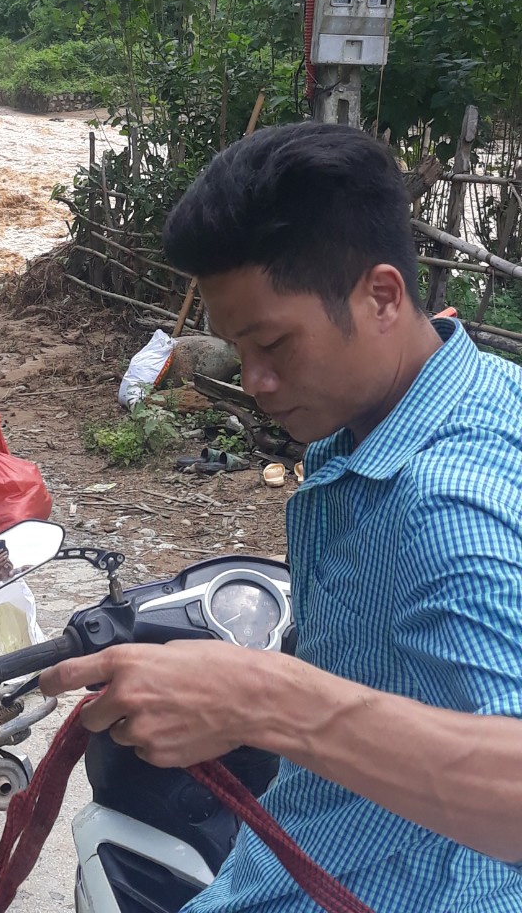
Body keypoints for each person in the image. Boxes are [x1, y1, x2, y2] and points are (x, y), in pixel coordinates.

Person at [41, 123, 522, 906]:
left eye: (274, 345)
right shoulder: (462, 394)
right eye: (238, 347)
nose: (256, 380)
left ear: (382, 297)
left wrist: (262, 701)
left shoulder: (444, 502)